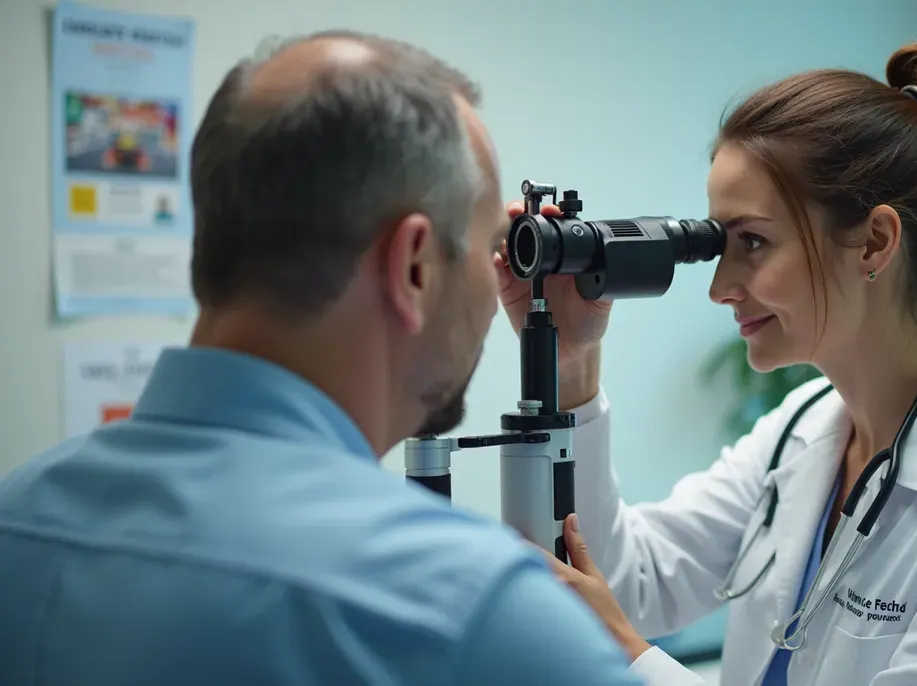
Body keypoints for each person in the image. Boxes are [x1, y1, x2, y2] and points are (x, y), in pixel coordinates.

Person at [0, 31, 643, 686]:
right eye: (489, 248)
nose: (498, 275)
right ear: (414, 266)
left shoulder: (14, 517)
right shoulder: (481, 618)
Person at [498, 23, 917, 685]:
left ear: (874, 243)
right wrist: (574, 362)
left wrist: (629, 657)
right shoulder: (803, 428)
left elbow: (621, 620)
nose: (719, 287)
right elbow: (629, 580)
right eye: (716, 243)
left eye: (753, 243)